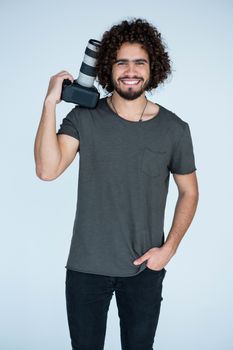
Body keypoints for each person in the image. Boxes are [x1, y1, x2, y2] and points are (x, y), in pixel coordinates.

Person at [34, 18, 199, 350]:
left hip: (143, 270)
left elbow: (189, 192)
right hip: (86, 269)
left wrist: (169, 248)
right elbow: (47, 170)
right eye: (121, 61)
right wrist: (50, 103)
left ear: (154, 67)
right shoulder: (84, 117)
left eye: (140, 62)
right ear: (108, 67)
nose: (130, 70)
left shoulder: (174, 129)